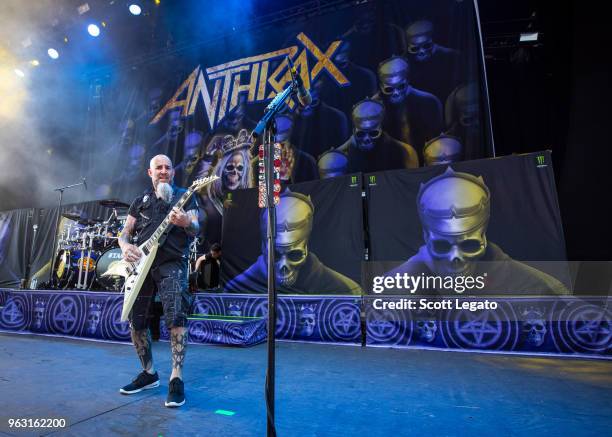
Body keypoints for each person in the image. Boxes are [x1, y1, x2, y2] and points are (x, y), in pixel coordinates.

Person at [118, 154, 199, 408]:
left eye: (168, 167)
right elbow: (125, 232)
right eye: (158, 168)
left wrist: (186, 221)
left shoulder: (185, 195)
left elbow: (196, 226)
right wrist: (124, 246)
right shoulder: (139, 201)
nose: (164, 171)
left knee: (176, 317)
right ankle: (149, 373)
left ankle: (176, 379)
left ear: (173, 172)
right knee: (137, 321)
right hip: (140, 267)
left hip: (171, 263)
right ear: (149, 173)